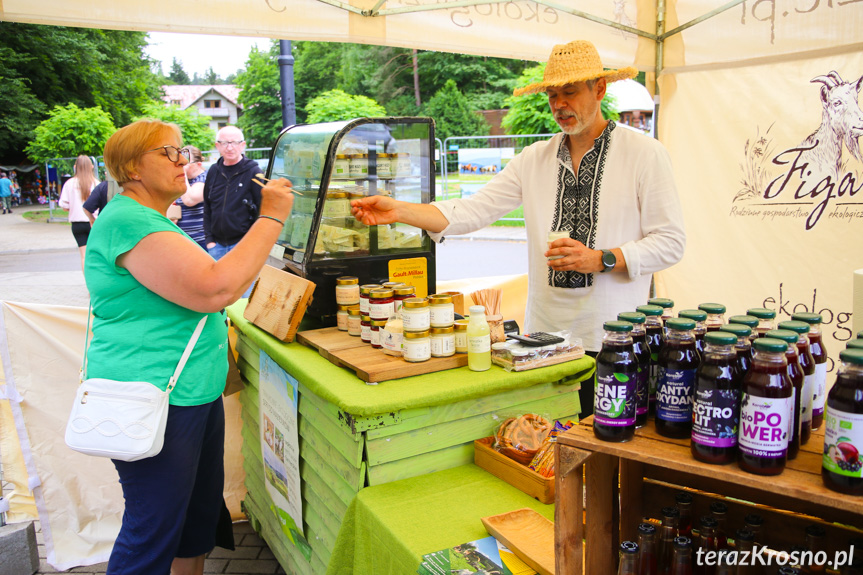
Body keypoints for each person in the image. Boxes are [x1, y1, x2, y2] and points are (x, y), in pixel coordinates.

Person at [351, 40, 686, 415]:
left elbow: (671, 242)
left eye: (570, 92)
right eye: (552, 95)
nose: (559, 104)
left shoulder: (644, 154)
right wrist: (399, 210)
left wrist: (601, 258)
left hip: (614, 339)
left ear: (600, 89)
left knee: (607, 453)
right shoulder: (534, 159)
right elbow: (473, 211)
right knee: (547, 450)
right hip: (543, 340)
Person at [86, 119, 293, 575]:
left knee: (193, 520)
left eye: (185, 152)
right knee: (153, 527)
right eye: (169, 153)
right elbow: (215, 288)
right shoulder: (128, 220)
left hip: (190, 392)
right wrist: (272, 215)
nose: (185, 162)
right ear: (131, 168)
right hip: (154, 397)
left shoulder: (153, 218)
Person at [203, 126, 264, 297]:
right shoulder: (213, 171)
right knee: (218, 295)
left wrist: (251, 244)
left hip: (242, 245)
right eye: (224, 143)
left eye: (234, 143)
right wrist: (209, 240)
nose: (230, 147)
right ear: (217, 146)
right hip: (216, 246)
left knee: (243, 295)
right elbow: (207, 207)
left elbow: (262, 210)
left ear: (243, 145)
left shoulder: (254, 172)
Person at [59, 156, 99, 270]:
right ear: (91, 167)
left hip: (77, 224)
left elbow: (64, 206)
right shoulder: (96, 183)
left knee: (84, 256)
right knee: (96, 254)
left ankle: (86, 280)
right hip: (94, 222)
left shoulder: (69, 183)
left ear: (75, 167)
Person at [175, 145, 208, 250]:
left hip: (201, 241)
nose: (183, 165)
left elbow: (190, 200)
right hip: (183, 240)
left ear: (198, 164)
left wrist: (183, 173)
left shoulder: (205, 178)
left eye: (186, 162)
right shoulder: (184, 181)